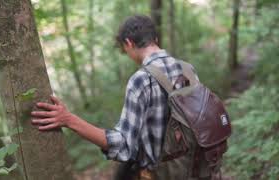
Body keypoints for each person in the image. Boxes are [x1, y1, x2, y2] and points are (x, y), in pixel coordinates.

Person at [31, 15, 207, 180]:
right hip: (194, 169)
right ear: (156, 39)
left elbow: (123, 146)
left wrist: (68, 120)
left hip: (162, 174)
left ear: (128, 43)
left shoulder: (141, 80)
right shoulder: (188, 70)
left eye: (125, 50)